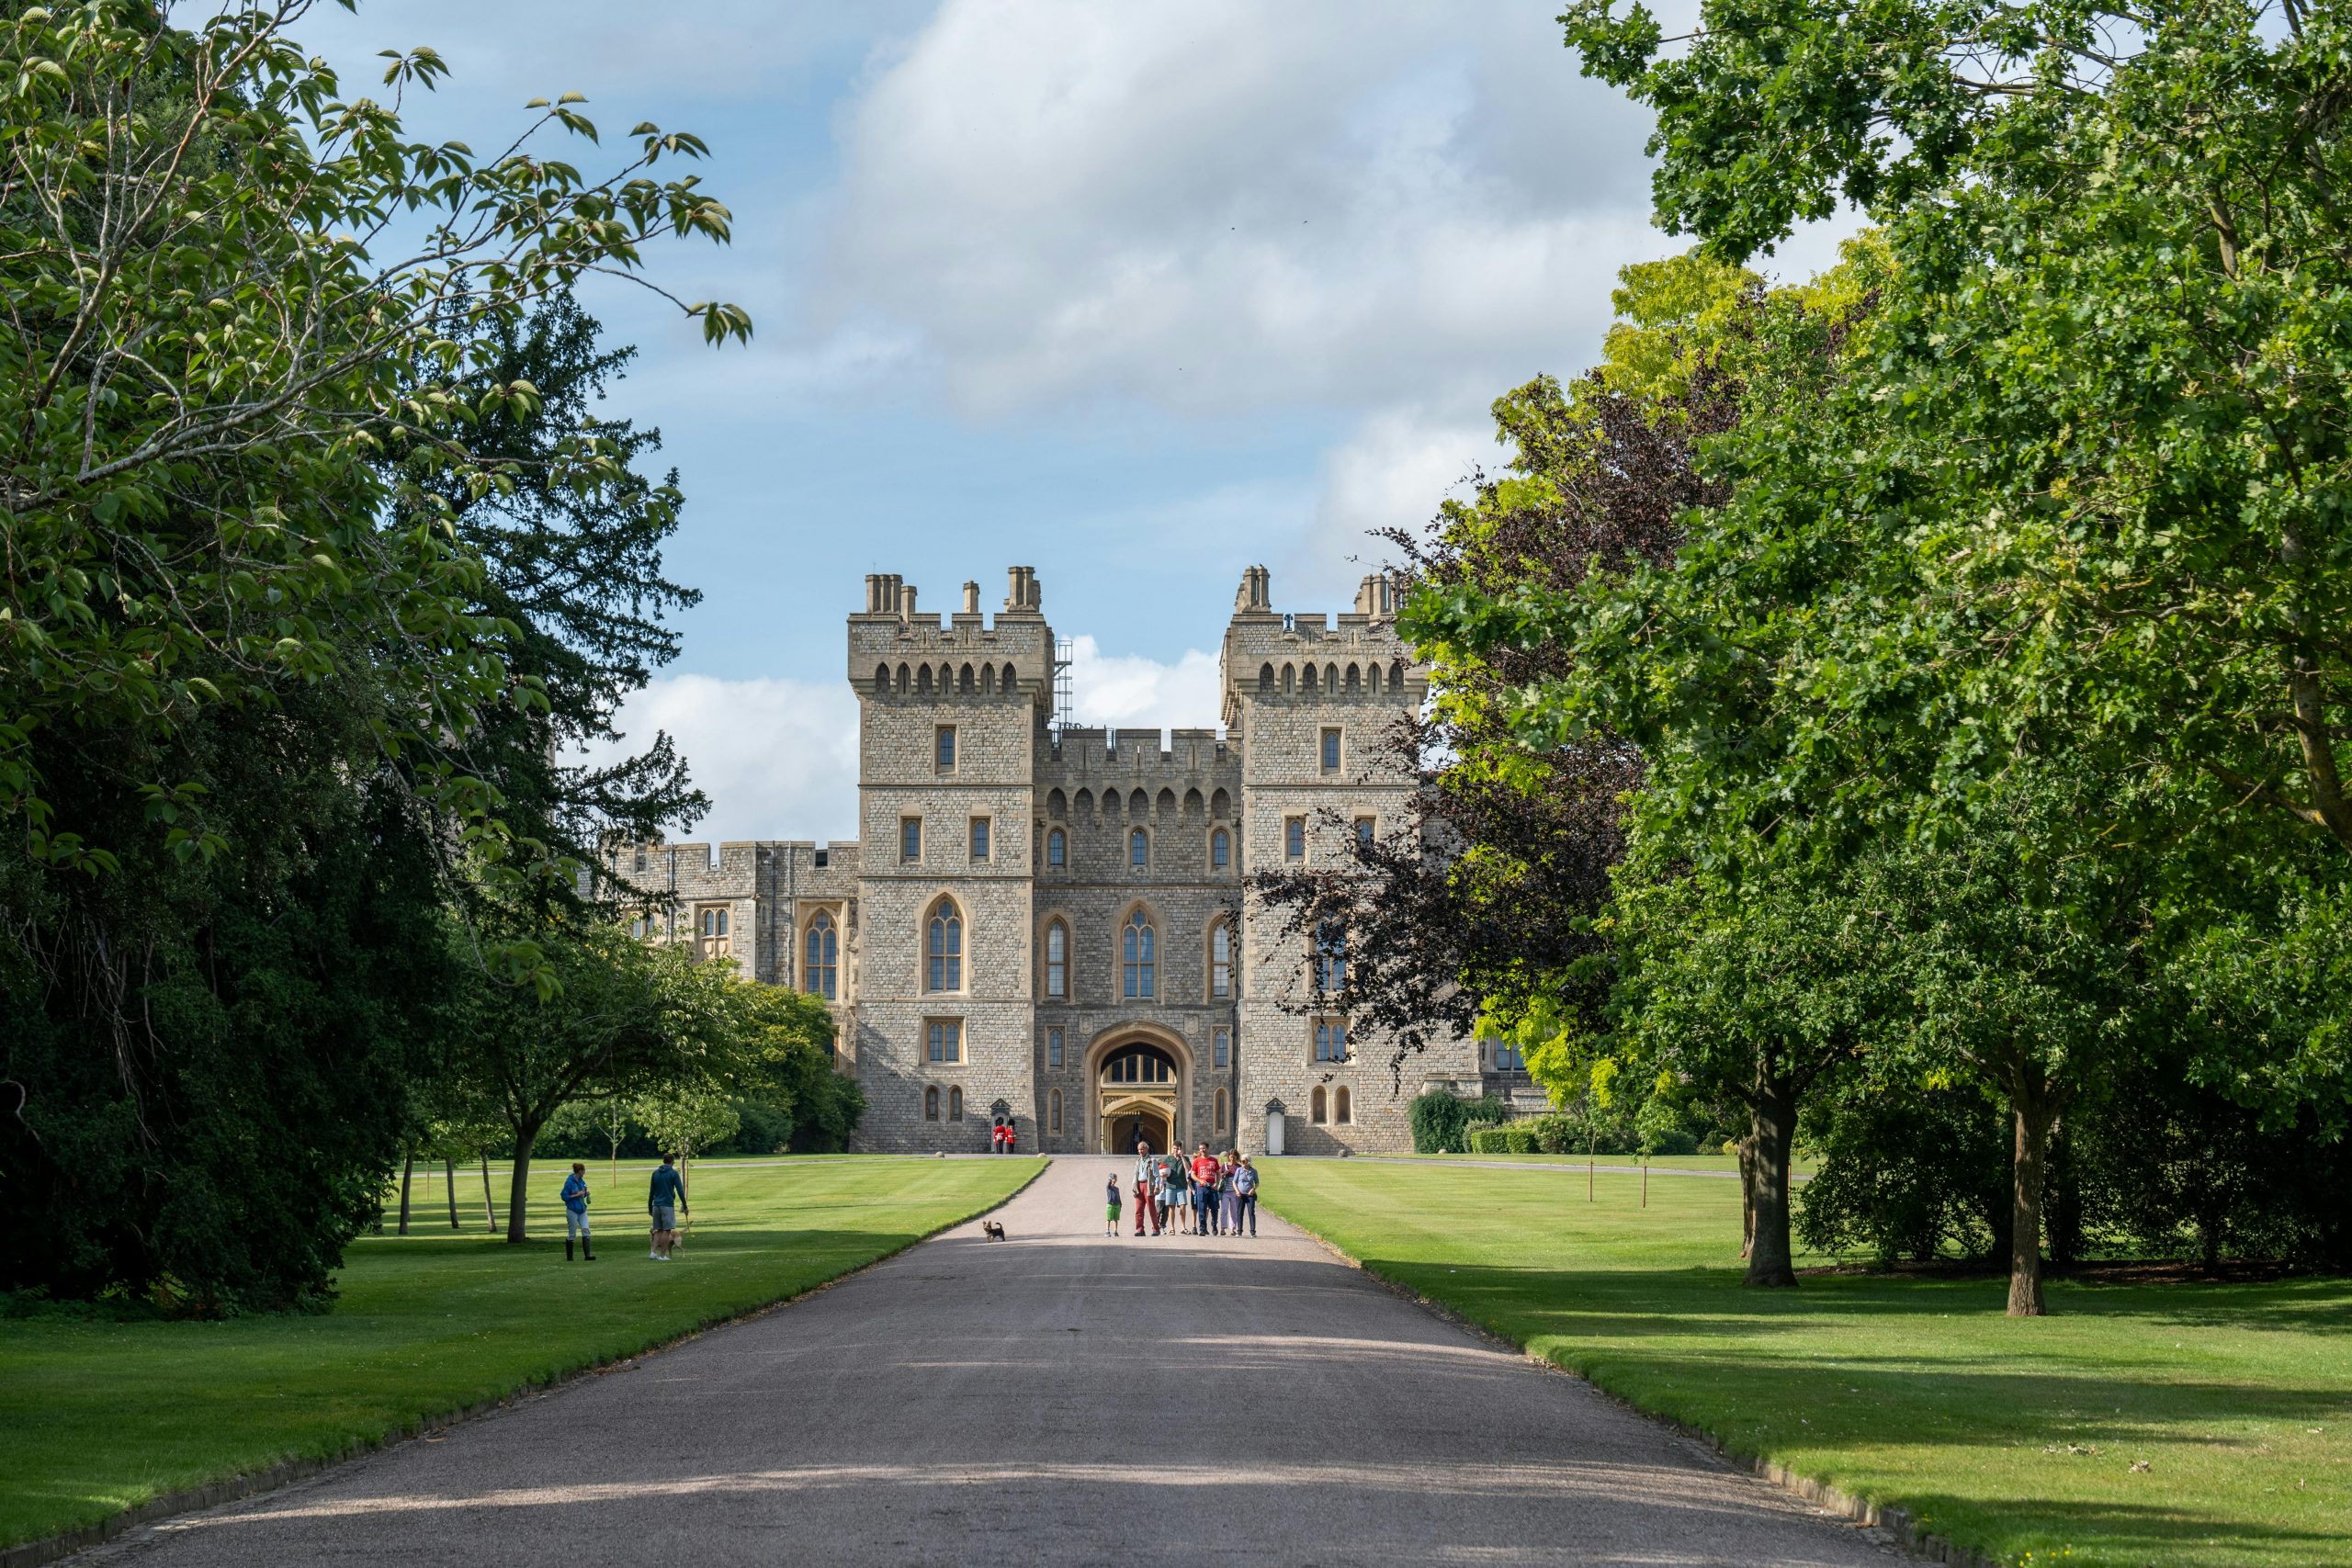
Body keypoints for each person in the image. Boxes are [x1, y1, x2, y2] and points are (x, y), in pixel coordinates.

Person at [648, 1153, 687, 1260]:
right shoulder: (673, 1173)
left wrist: (649, 1207)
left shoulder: (655, 1173)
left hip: (656, 1205)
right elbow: (680, 1190)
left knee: (657, 1230)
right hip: (667, 1205)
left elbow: (651, 1192)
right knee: (666, 1231)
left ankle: (653, 1253)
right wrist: (685, 1205)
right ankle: (663, 1255)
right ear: (672, 1161)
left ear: (663, 1161)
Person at [560, 1162, 595, 1260]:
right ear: (580, 1171)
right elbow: (564, 1196)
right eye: (584, 1170)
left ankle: (587, 1256)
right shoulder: (569, 1182)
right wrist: (576, 1195)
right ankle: (570, 1257)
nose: (584, 1172)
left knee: (586, 1230)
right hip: (572, 1210)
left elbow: (582, 1193)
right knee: (572, 1234)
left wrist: (585, 1193)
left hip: (582, 1210)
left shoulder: (581, 1181)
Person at [1190, 1143, 1219, 1235]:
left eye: (1204, 1148)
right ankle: (1202, 1228)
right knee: (1202, 1208)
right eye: (1200, 1148)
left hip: (1212, 1187)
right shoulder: (1197, 1161)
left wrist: (1217, 1183)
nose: (1202, 1150)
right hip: (1201, 1187)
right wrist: (1199, 1180)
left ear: (1208, 1148)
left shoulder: (1214, 1160)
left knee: (1214, 1208)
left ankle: (1214, 1225)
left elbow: (1218, 1173)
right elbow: (1192, 1174)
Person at [1131, 1143, 1159, 1236]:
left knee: (1151, 1209)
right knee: (1139, 1209)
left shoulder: (1152, 1161)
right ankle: (1140, 1229)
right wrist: (1134, 1187)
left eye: (1142, 1149)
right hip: (1139, 1185)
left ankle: (1155, 1229)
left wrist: (1156, 1186)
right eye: (1139, 1150)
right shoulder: (1138, 1161)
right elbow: (1135, 1175)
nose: (1140, 1151)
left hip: (1148, 1185)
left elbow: (1156, 1175)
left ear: (1147, 1149)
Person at [1161, 1146, 1190, 1235]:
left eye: (1178, 1148)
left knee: (1183, 1206)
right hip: (1170, 1185)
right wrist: (1163, 1174)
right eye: (1174, 1148)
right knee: (1171, 1207)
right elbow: (1161, 1168)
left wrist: (1182, 1157)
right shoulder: (1168, 1159)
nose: (1176, 1150)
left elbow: (1188, 1169)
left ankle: (1183, 1227)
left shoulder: (1186, 1158)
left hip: (1181, 1185)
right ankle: (1172, 1228)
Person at [1231, 1153, 1259, 1237]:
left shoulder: (1253, 1171)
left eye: (1244, 1161)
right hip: (1240, 1194)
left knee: (1251, 1212)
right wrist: (1237, 1191)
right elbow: (1234, 1182)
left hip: (1250, 1195)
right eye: (1241, 1161)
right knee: (1239, 1212)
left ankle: (1253, 1232)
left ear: (1248, 1161)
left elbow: (1257, 1183)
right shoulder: (1239, 1170)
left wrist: (1253, 1189)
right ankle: (1239, 1231)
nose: (1242, 1163)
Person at [1218, 1151, 1241, 1236]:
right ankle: (1223, 1228)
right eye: (1231, 1157)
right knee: (1224, 1210)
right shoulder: (1224, 1165)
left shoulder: (1239, 1167)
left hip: (1235, 1192)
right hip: (1225, 1192)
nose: (1232, 1159)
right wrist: (1224, 1173)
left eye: (1234, 1157)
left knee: (1234, 1212)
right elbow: (1218, 1175)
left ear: (1236, 1157)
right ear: (1229, 1157)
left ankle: (1232, 1229)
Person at [1104, 1172, 1122, 1237]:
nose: (1115, 1180)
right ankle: (1107, 1231)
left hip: (1117, 1205)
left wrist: (1120, 1205)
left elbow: (1118, 1197)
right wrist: (1110, 1179)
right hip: (1110, 1205)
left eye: (1116, 1179)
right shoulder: (1109, 1187)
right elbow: (1108, 1184)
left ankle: (1115, 1231)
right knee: (1108, 1218)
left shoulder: (1117, 1188)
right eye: (1114, 1179)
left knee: (1116, 1219)